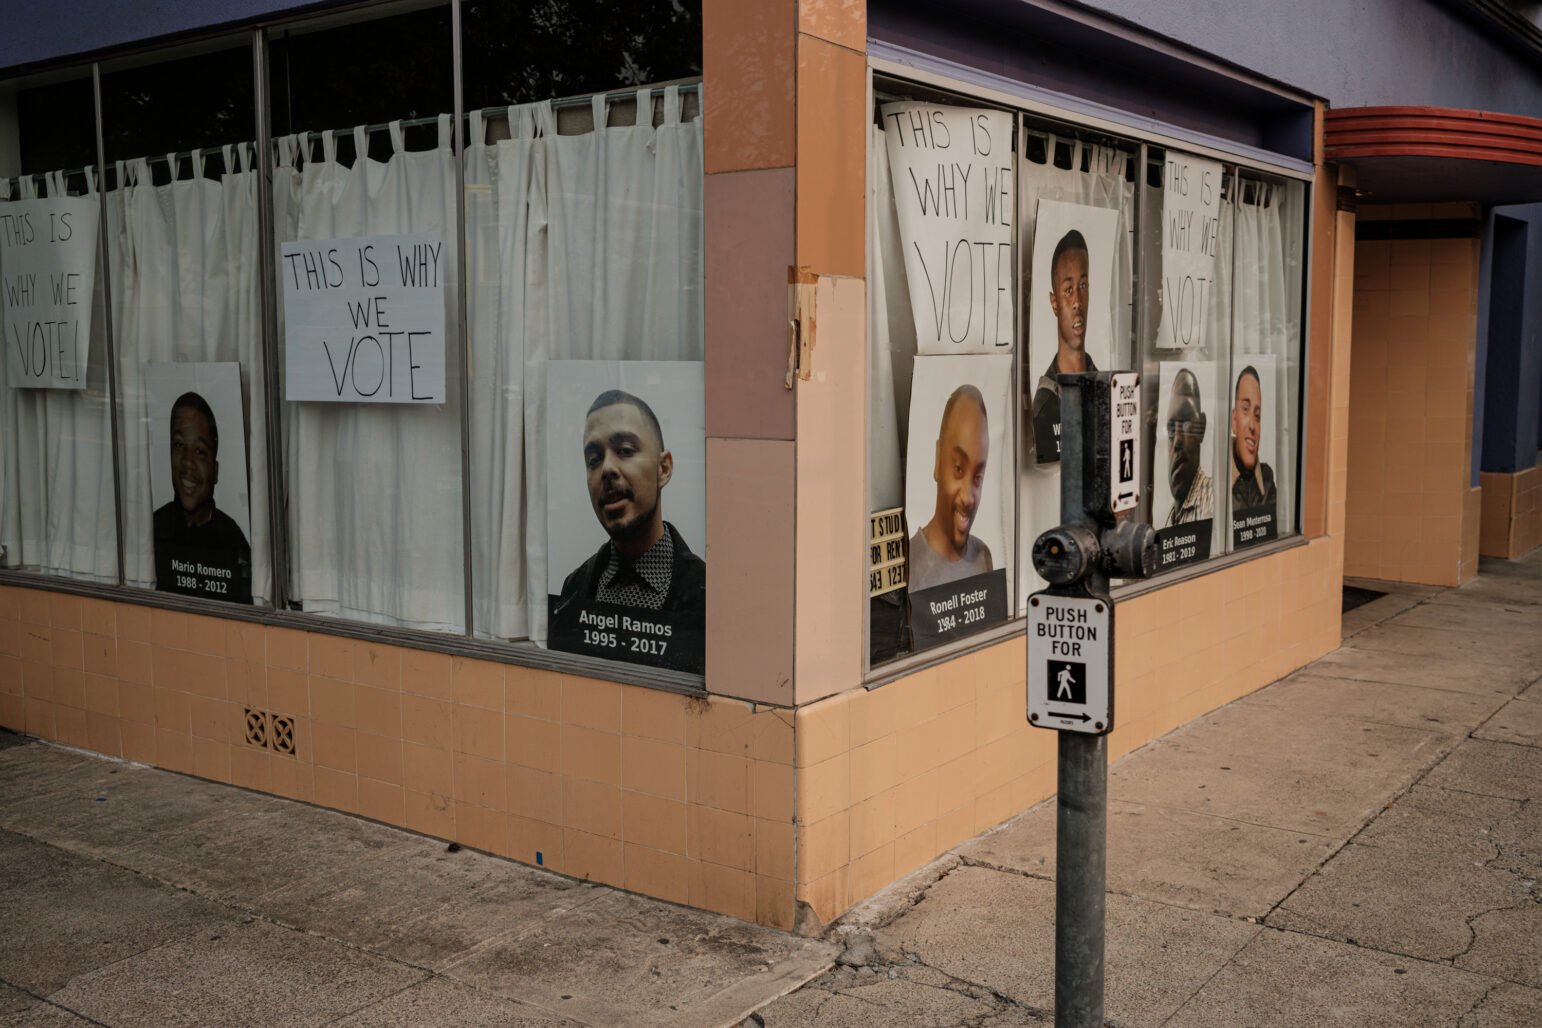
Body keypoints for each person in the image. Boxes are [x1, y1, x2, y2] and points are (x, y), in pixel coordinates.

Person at [552, 389, 705, 616]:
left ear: (663, 469)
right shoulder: (573, 589)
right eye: (594, 460)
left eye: (625, 450)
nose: (607, 469)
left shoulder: (708, 592)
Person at [152, 391, 253, 604]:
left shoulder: (233, 543)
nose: (187, 463)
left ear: (215, 471)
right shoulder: (152, 529)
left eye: (199, 451)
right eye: (179, 445)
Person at [908, 384, 993, 593]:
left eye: (977, 477)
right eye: (958, 468)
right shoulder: (909, 566)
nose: (967, 498)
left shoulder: (983, 557)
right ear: (938, 461)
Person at [1031, 229, 1098, 464]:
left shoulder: (1104, 389)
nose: (1077, 302)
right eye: (1068, 291)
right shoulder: (1045, 406)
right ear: (1054, 303)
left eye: (1083, 286)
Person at [1163, 368, 1214, 526]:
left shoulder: (1213, 499)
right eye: (1171, 429)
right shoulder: (1170, 519)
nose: (1177, 440)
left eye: (1185, 421)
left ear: (1202, 426)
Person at [1230, 365, 1276, 510]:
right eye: (1245, 409)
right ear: (1234, 420)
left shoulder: (1267, 481)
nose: (1252, 425)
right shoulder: (1218, 480)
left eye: (1257, 416)